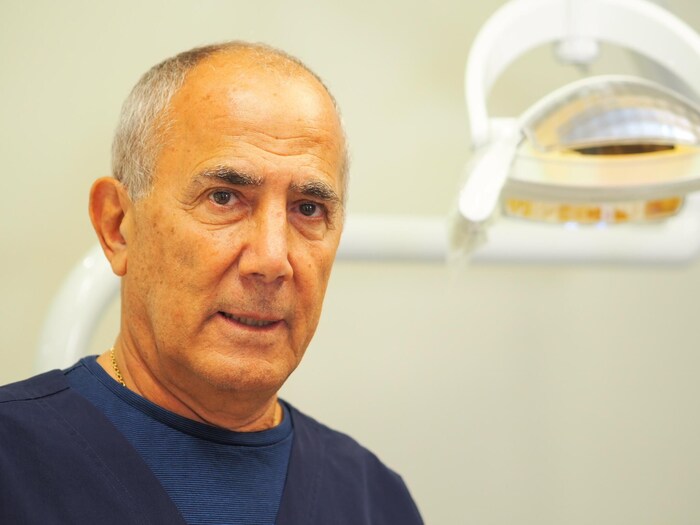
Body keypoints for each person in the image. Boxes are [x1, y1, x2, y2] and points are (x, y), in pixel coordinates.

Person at [0, 41, 423, 524]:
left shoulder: (373, 500)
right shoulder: (14, 463)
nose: (271, 260)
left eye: (308, 209)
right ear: (117, 225)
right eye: (224, 198)